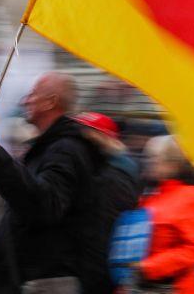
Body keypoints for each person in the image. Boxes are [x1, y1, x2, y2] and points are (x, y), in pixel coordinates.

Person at [0, 72, 102, 294]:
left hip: (41, 283)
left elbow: (43, 205)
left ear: (51, 101)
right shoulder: (51, 148)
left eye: (32, 94)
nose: (25, 101)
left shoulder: (65, 150)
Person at [133, 135, 194, 294]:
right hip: (146, 284)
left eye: (154, 158)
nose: (148, 163)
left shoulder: (193, 197)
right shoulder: (151, 192)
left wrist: (150, 267)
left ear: (173, 165)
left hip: (175, 287)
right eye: (147, 157)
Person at [71, 112, 141, 292]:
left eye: (84, 137)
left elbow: (103, 232)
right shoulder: (113, 169)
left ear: (99, 140)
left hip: (98, 274)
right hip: (97, 270)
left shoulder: (111, 178)